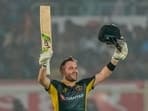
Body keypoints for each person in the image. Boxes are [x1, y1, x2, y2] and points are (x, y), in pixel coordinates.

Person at [37, 38, 128, 111]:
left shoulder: (83, 85)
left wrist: (115, 59)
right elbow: (42, 79)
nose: (75, 71)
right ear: (63, 72)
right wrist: (44, 64)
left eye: (76, 68)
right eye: (71, 68)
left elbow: (103, 74)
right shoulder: (56, 87)